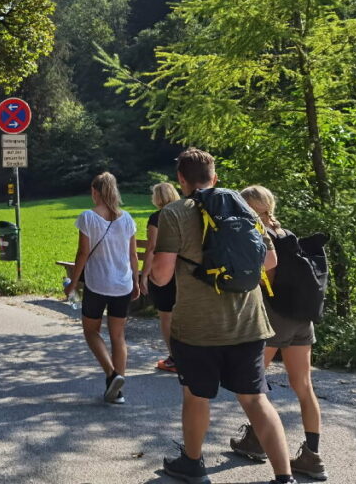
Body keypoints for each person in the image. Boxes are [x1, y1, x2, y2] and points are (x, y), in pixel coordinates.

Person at [152, 148, 293, 484]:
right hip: (249, 322)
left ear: (181, 180)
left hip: (197, 327)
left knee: (196, 395)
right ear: (215, 178)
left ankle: (193, 463)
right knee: (255, 399)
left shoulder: (173, 213)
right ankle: (284, 477)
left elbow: (161, 275)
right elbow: (270, 262)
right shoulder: (243, 206)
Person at [230, 185, 325, 481]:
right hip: (302, 320)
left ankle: (259, 439)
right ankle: (312, 456)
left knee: (250, 386)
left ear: (248, 207)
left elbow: (258, 279)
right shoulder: (286, 234)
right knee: (304, 387)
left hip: (273, 320)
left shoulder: (260, 236)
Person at [64, 171, 139, 405]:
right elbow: (133, 254)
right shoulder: (127, 218)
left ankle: (112, 373)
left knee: (91, 331)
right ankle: (117, 391)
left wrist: (73, 284)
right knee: (118, 336)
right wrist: (136, 282)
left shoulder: (88, 217)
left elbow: (83, 253)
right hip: (123, 285)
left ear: (95, 192)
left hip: (98, 284)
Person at [140, 181, 182, 372]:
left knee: (166, 316)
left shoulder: (157, 217)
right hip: (185, 272)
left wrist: (144, 274)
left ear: (157, 198)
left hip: (165, 271)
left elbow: (152, 247)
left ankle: (174, 358)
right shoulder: (185, 214)